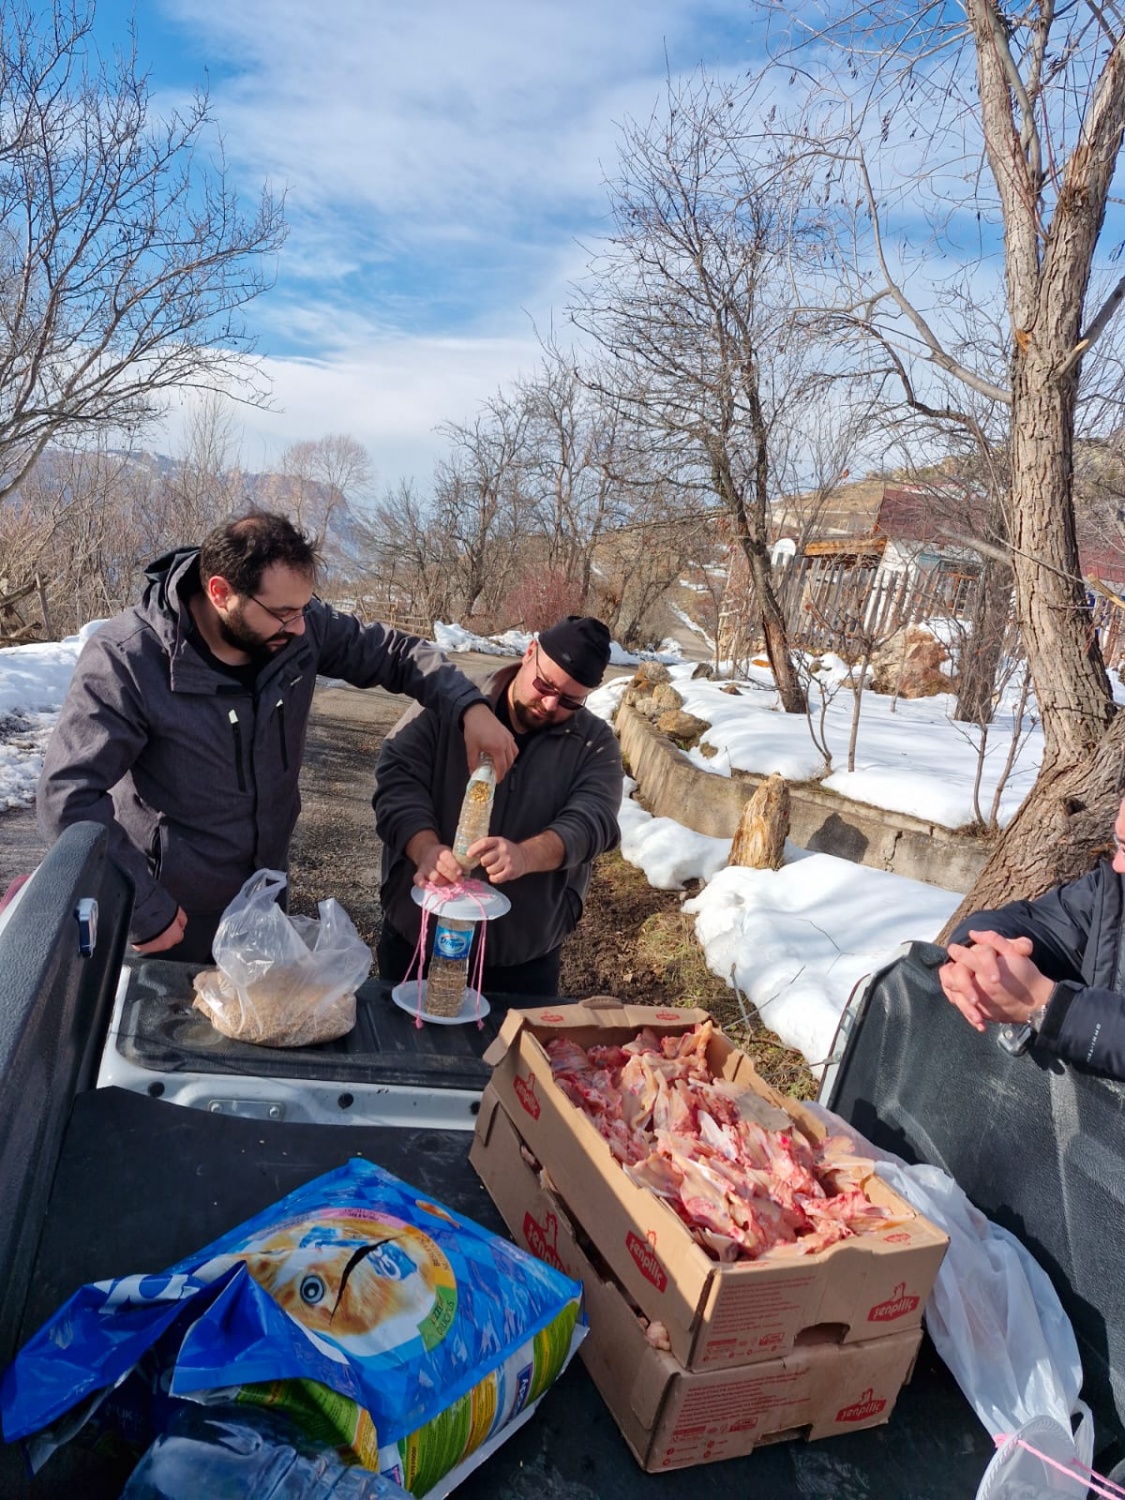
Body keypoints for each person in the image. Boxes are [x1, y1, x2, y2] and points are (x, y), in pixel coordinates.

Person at [38, 511, 516, 963]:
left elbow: (398, 654)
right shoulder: (129, 660)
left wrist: (469, 707)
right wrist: (144, 908)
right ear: (221, 591)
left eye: (305, 609)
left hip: (265, 895)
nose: (301, 627)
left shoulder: (297, 630)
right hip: (175, 916)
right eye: (285, 613)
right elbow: (68, 796)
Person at [374, 615, 624, 998]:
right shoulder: (452, 701)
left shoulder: (594, 743)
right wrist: (423, 847)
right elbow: (397, 778)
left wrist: (527, 855)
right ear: (529, 652)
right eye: (545, 685)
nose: (550, 704)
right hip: (418, 936)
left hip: (523, 958)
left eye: (571, 700)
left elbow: (595, 819)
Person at [940, 794, 1125, 1078]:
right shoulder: (1112, 893)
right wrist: (980, 952)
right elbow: (1039, 922)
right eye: (1120, 844)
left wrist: (1052, 1007)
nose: (1118, 866)